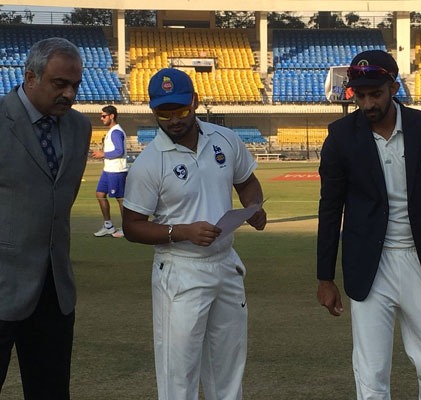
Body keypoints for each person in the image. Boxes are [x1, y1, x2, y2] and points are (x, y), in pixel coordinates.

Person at [317, 50, 421, 399]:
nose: (367, 104)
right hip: (368, 264)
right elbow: (330, 208)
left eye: (375, 94)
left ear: (394, 87)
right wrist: (325, 278)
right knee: (372, 372)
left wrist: (416, 218)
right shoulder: (340, 136)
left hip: (418, 260)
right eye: (360, 95)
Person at [122, 68, 266, 400]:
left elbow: (246, 181)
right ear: (153, 111)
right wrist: (182, 231)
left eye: (181, 110)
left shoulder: (224, 139)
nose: (174, 120)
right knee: (179, 372)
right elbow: (132, 226)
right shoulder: (149, 162)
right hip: (180, 268)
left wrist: (253, 207)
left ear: (195, 102)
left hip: (225, 263)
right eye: (164, 113)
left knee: (228, 366)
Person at [0, 37, 91, 399]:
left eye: (75, 85)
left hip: (55, 290)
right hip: (2, 284)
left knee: (51, 391)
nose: (69, 94)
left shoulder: (79, 128)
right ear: (30, 77)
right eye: (60, 84)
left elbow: (61, 200)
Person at [92, 105, 128, 238]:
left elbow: (119, 151)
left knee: (120, 199)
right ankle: (108, 226)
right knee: (100, 194)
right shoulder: (112, 131)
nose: (101, 118)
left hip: (117, 171)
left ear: (112, 116)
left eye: (104, 116)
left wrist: (103, 154)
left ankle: (127, 228)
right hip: (108, 170)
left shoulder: (116, 132)